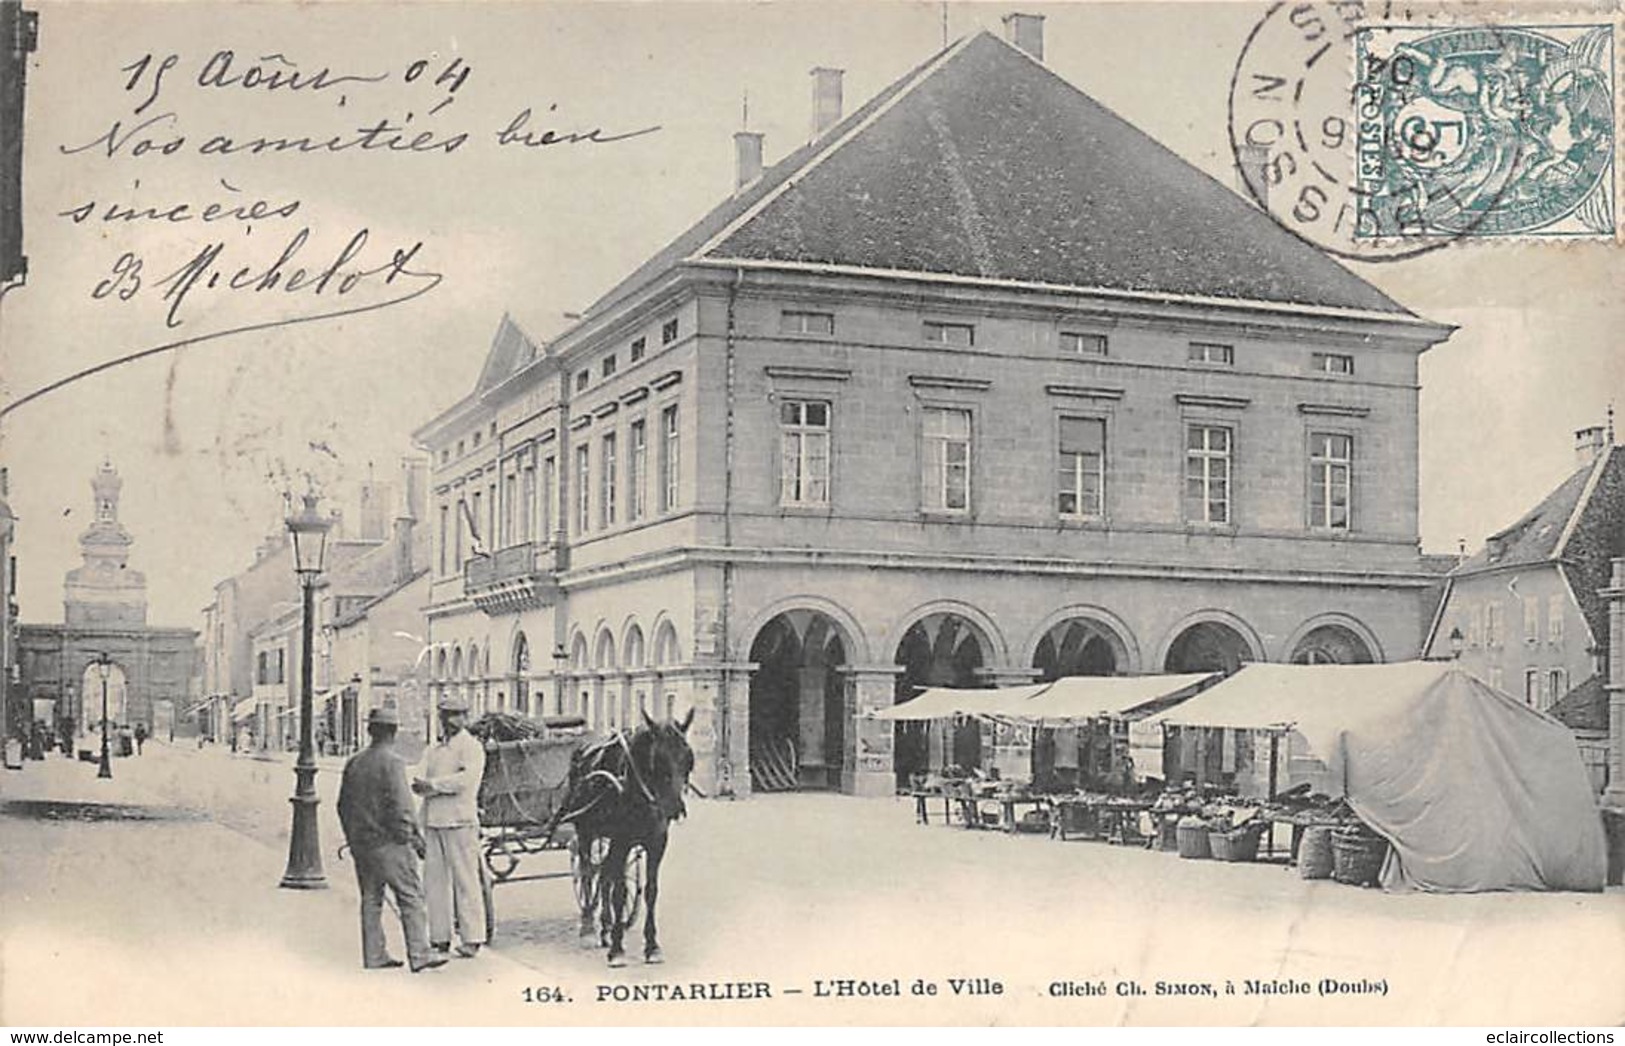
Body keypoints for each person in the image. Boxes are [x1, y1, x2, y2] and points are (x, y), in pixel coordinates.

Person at [336, 706, 446, 974]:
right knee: (411, 897)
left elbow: (342, 805)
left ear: (370, 731)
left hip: (362, 845)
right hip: (390, 844)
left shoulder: (354, 762)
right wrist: (409, 838)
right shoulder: (393, 762)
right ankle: (419, 954)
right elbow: (403, 807)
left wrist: (353, 837)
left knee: (371, 900)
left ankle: (374, 955)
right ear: (393, 733)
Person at [412, 695, 487, 958]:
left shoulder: (471, 747)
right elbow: (418, 779)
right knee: (434, 882)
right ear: (441, 718)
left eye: (459, 715)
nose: (453, 721)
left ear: (465, 718)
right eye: (449, 716)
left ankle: (472, 937)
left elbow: (466, 782)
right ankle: (439, 937)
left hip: (461, 821)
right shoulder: (433, 749)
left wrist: (433, 786)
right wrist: (427, 789)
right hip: (434, 821)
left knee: (465, 880)